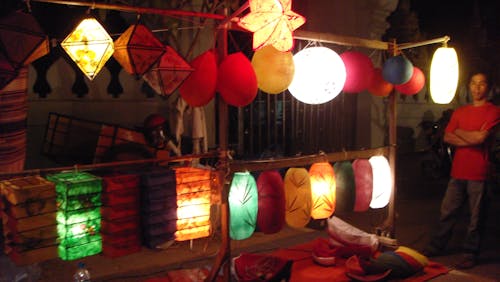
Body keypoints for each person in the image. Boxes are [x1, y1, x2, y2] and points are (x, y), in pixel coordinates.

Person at [423, 71, 500, 269]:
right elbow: (447, 137)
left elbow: (480, 139)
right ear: (469, 86)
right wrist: (469, 136)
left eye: (482, 84)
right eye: (474, 83)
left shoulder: (493, 111)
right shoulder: (460, 112)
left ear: (488, 87)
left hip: (480, 172)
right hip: (458, 171)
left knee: (476, 217)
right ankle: (437, 246)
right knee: (447, 211)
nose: (477, 88)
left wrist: (459, 132)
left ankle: (470, 253)